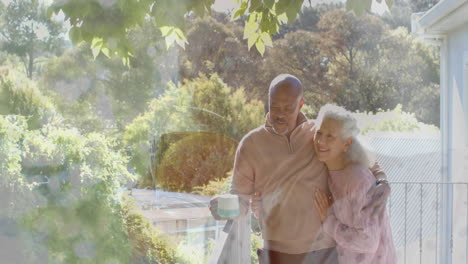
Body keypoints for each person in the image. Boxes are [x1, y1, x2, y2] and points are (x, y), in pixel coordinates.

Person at [209, 74, 390, 264]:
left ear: (301, 104)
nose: (280, 114)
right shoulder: (251, 144)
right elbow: (241, 199)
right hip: (277, 254)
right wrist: (223, 207)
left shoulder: (318, 134)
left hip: (325, 252)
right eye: (275, 106)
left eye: (288, 108)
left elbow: (359, 153)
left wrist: (382, 178)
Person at [313, 104, 396, 264]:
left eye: (330, 136)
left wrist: (328, 221)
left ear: (347, 143)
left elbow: (368, 241)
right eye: (319, 133)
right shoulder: (334, 170)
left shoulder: (358, 180)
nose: (321, 141)